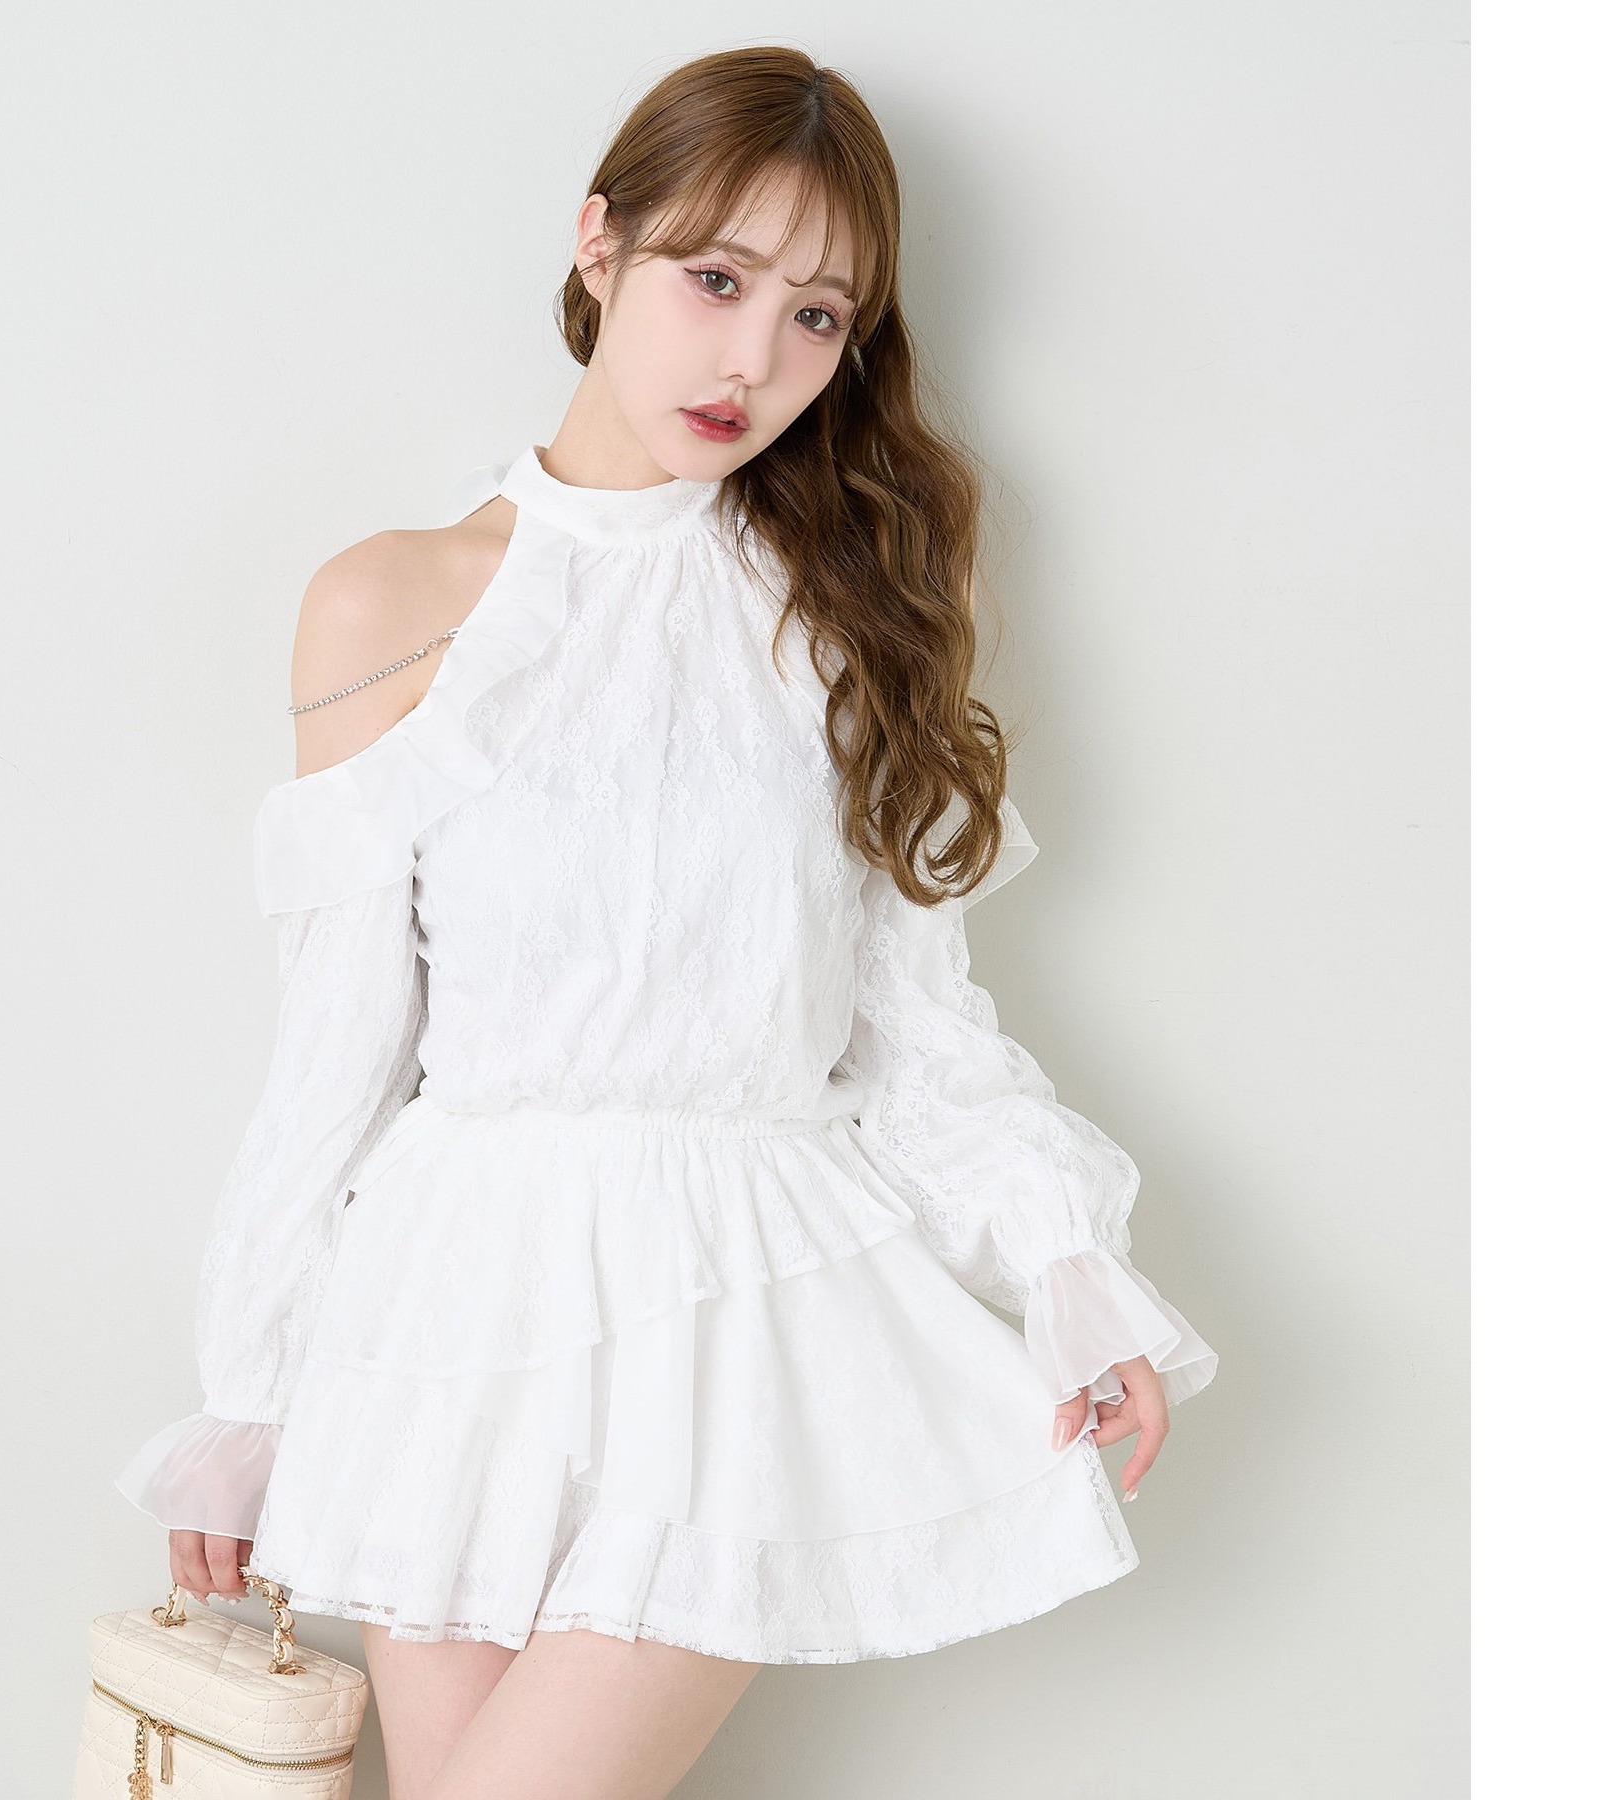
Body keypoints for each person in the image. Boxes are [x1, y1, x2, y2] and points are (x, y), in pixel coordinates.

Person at [114, 44, 1219, 1800]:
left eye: (817, 317)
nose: (754, 359)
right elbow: (336, 1044)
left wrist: (1066, 1265)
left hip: (735, 1307)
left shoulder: (838, 625)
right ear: (598, 242)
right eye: (718, 279)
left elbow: (912, 1028)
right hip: (448, 1306)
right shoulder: (391, 602)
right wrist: (250, 1396)